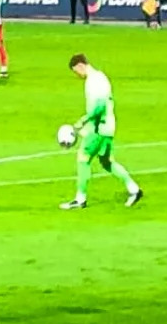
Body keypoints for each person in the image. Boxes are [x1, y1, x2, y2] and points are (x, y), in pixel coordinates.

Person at [60, 54, 143, 211]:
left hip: (98, 128)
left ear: (80, 66)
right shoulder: (102, 77)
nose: (77, 75)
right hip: (109, 128)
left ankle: (80, 199)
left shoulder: (93, 81)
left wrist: (84, 120)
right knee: (107, 162)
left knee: (83, 159)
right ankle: (134, 190)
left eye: (75, 72)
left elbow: (99, 106)